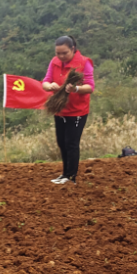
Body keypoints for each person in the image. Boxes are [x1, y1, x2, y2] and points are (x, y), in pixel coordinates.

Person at [42, 35, 95, 185]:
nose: (61, 56)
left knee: (71, 143)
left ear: (72, 49)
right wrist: (49, 86)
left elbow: (90, 87)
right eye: (58, 53)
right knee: (61, 142)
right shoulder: (54, 62)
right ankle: (65, 174)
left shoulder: (84, 63)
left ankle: (71, 177)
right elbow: (45, 81)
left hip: (77, 111)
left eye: (64, 53)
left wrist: (75, 89)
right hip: (60, 110)